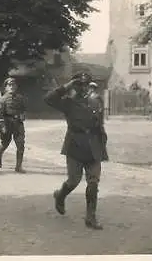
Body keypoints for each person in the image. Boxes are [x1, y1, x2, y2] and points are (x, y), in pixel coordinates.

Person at [44, 72, 108, 230]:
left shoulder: (95, 100)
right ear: (75, 86)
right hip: (75, 145)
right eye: (79, 85)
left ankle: (90, 217)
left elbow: (100, 123)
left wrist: (102, 142)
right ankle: (60, 195)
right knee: (74, 181)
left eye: (86, 84)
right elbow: (48, 99)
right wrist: (67, 86)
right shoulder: (68, 102)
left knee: (93, 182)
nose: (83, 88)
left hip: (93, 145)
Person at [0, 77, 27, 173]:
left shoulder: (21, 98)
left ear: (16, 86)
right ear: (6, 87)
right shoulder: (3, 99)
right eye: (9, 85)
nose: (12, 87)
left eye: (13, 85)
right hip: (7, 123)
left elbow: (23, 109)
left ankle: (18, 167)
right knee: (5, 143)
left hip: (18, 124)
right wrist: (2, 126)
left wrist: (23, 115)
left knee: (21, 145)